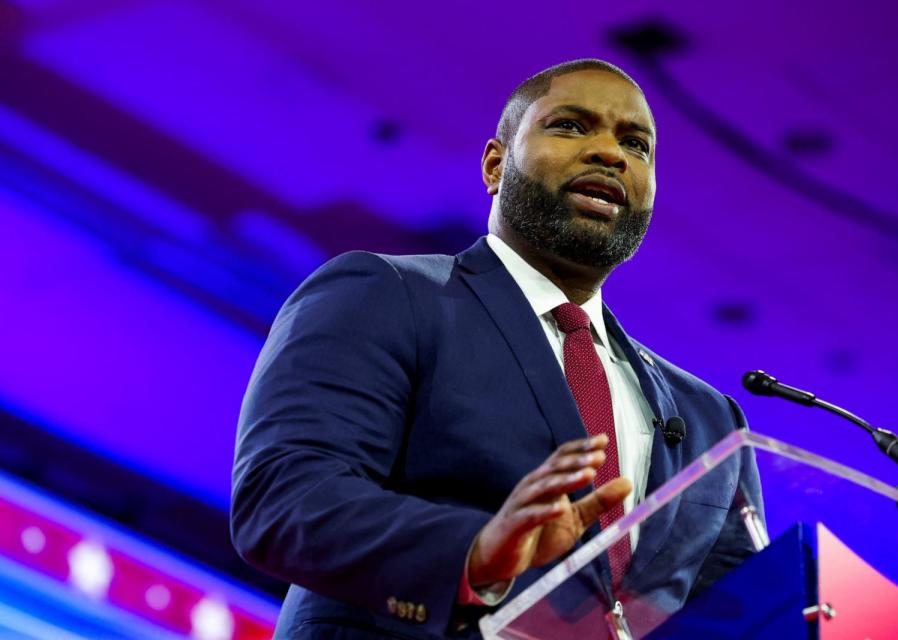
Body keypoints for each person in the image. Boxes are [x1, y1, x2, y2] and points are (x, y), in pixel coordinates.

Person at [231, 58, 763, 639]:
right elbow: (285, 497)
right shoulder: (388, 294)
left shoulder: (711, 420)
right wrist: (475, 553)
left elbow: (743, 619)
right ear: (494, 165)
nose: (612, 154)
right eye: (570, 126)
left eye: (636, 145)